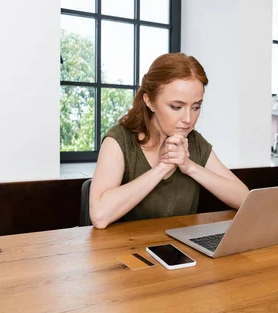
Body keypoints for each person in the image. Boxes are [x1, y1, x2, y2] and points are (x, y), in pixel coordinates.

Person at [89, 53, 249, 229]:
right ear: (149, 101)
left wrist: (189, 167)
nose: (188, 118)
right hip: (124, 252)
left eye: (196, 107)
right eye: (176, 107)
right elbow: (99, 216)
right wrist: (163, 167)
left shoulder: (195, 142)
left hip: (179, 252)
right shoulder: (119, 140)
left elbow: (244, 198)